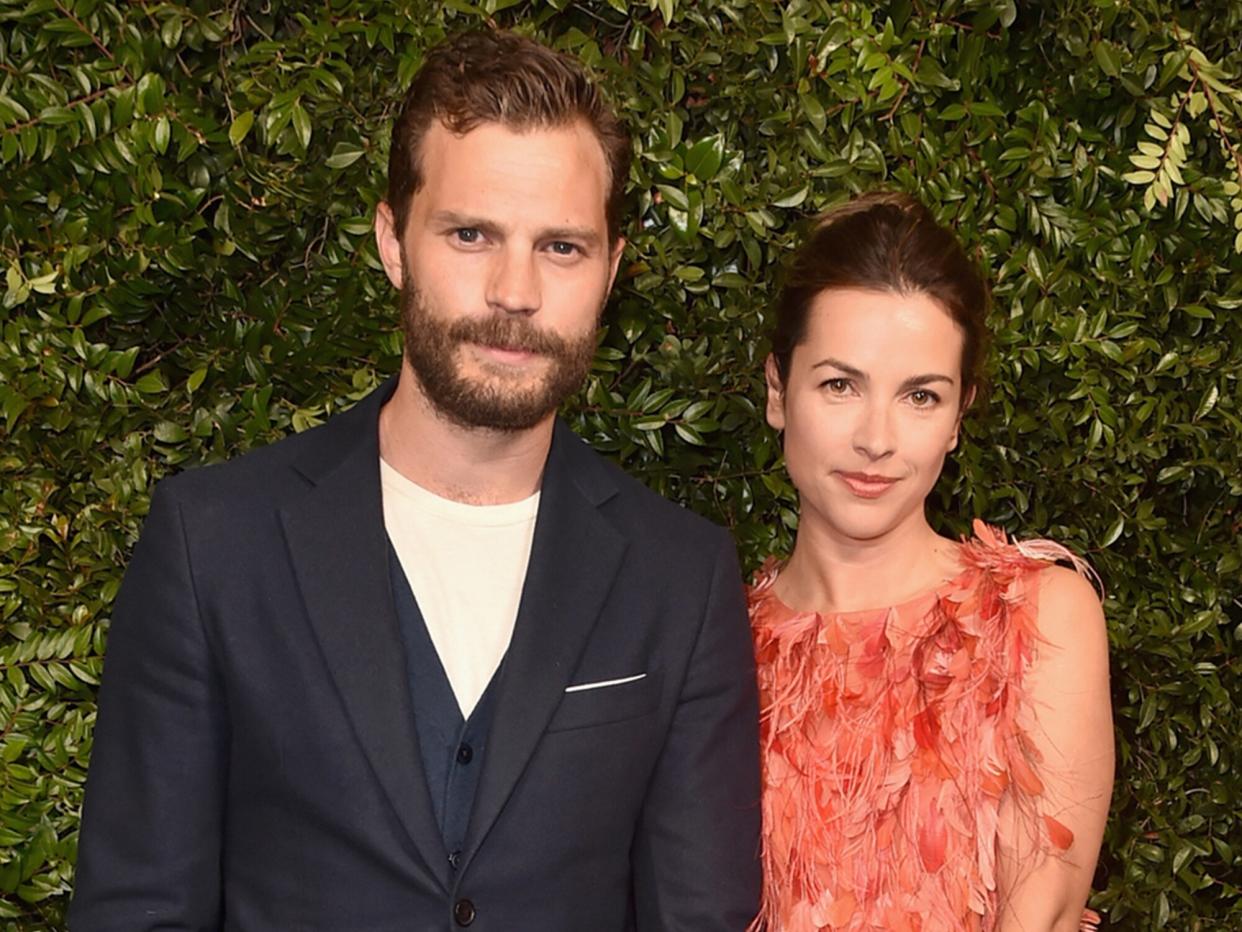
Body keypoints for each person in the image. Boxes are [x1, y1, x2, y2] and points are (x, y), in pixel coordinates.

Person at [69, 30, 761, 931]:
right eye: (472, 234)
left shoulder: (682, 577)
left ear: (612, 270)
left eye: (561, 247)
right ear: (394, 242)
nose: (515, 291)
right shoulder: (215, 544)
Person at [749, 192, 1113, 932]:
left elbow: (1039, 913)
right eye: (839, 385)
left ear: (957, 418)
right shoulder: (714, 639)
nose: (876, 438)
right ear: (778, 392)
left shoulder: (1040, 616)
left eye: (919, 395)